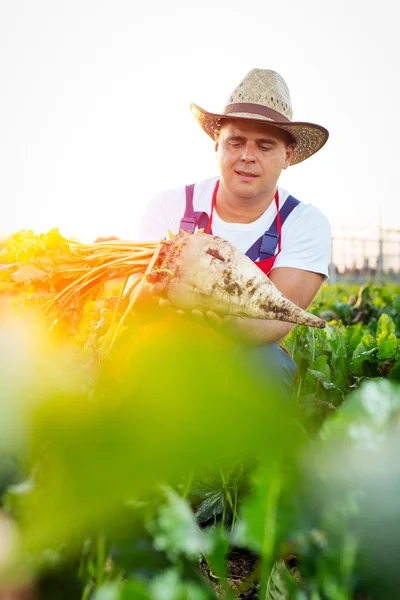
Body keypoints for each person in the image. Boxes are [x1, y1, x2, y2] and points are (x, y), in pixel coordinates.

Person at [137, 68, 331, 396]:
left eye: (265, 146)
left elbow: (274, 320)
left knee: (265, 365)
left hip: (249, 352)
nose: (247, 156)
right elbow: (139, 301)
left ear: (288, 156)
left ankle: (247, 443)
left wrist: (209, 314)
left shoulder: (303, 222)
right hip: (169, 347)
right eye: (236, 141)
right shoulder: (170, 206)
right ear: (217, 144)